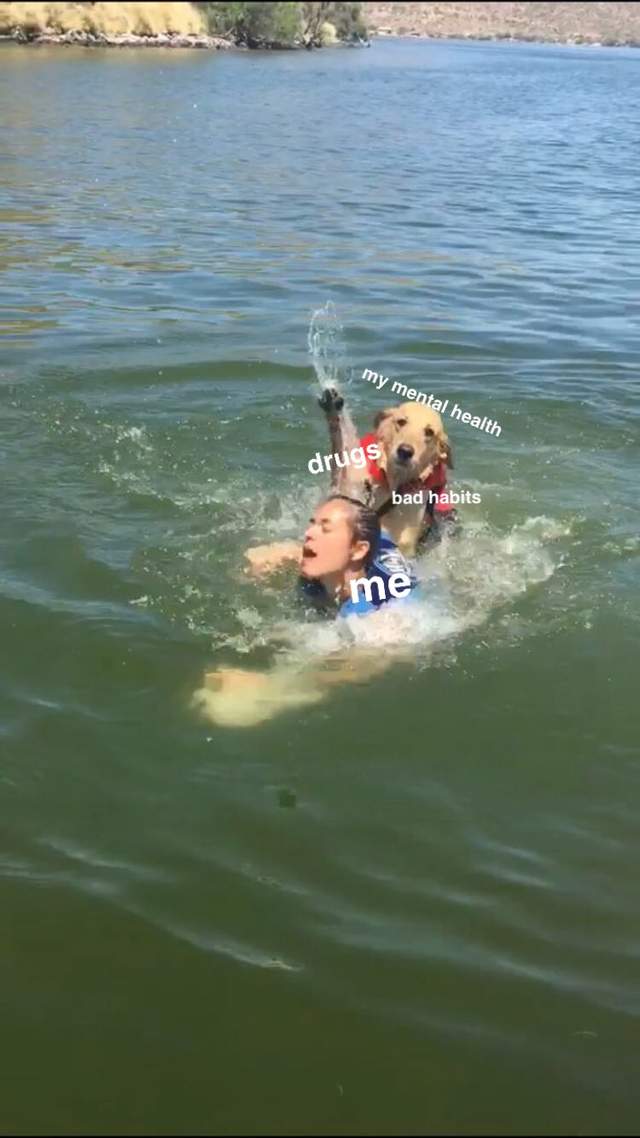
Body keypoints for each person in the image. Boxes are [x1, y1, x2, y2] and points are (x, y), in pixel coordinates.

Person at [192, 496, 418, 727]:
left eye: (325, 529)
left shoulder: (379, 609)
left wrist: (273, 688)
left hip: (383, 559)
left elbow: (364, 661)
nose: (308, 533)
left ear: (358, 550)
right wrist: (279, 552)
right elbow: (314, 552)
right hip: (371, 546)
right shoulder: (323, 571)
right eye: (312, 524)